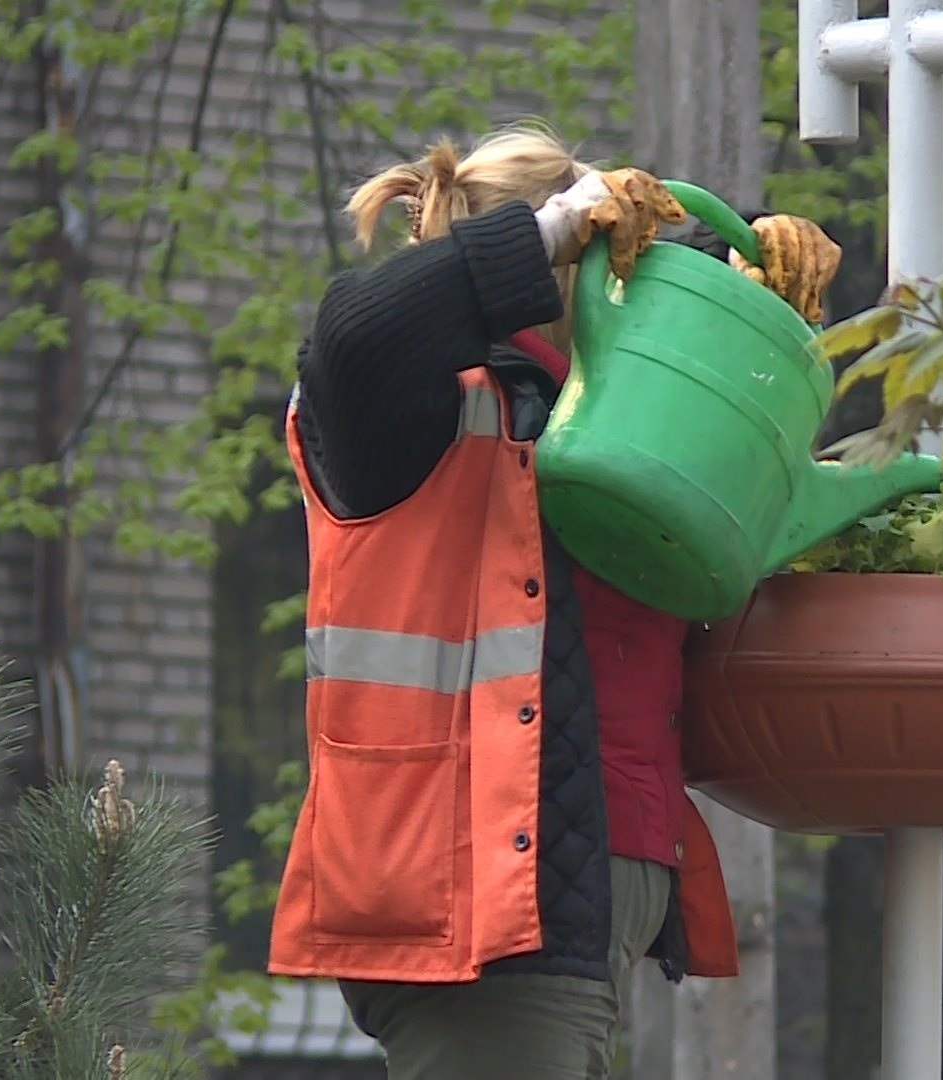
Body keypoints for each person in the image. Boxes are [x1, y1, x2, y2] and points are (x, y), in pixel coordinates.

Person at [265, 125, 842, 1079]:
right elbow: (354, 334)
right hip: (482, 905)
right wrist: (554, 230)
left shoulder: (603, 417)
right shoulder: (419, 406)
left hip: (555, 899)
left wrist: (755, 290)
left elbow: (745, 504)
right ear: (567, 256)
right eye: (614, 253)